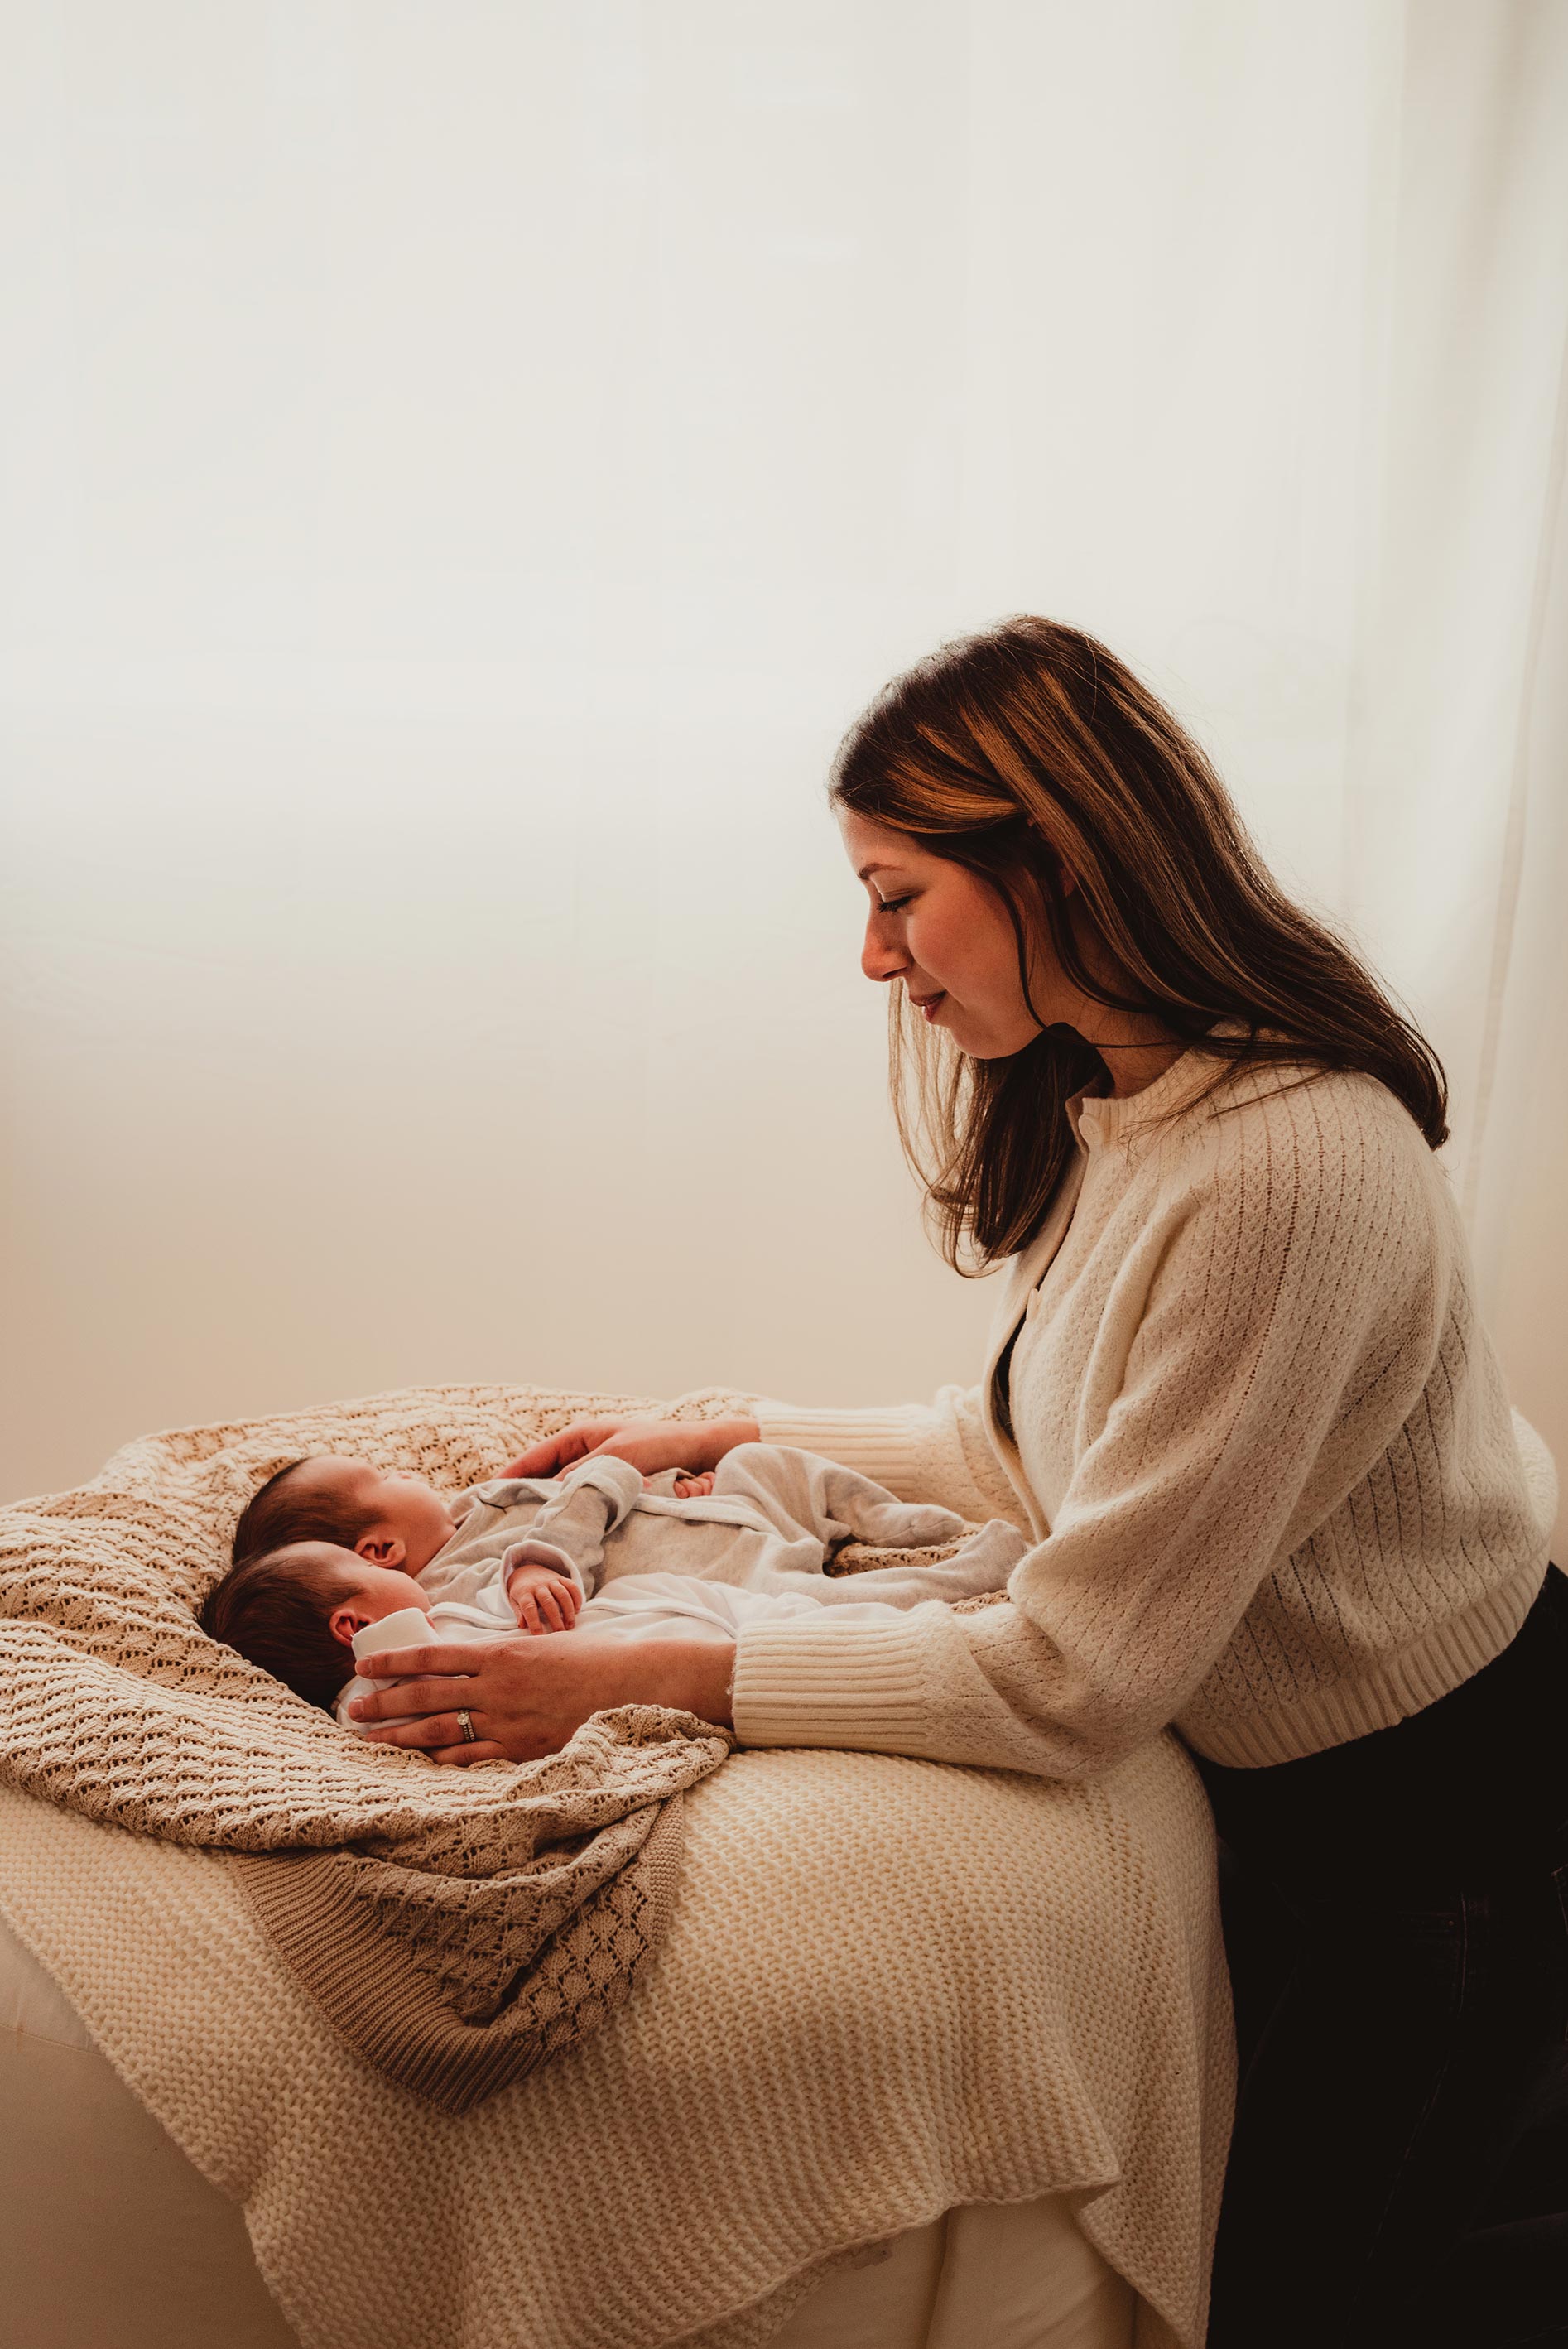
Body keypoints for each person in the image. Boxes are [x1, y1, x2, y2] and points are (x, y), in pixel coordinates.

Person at [345, 617, 1566, 2347]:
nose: (870, 955)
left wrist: (626, 1670)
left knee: (1336, 2294)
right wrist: (707, 1429)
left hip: (1434, 1826)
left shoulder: (1285, 1167)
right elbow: (1051, 1450)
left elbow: (1073, 1669)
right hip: (1310, 1799)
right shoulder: (1128, 1101)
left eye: (896, 891)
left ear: (1051, 857)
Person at [202, 1445, 1027, 1728]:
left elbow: (607, 1475)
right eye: (385, 1474)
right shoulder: (456, 1593)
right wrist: (538, 1566)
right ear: (377, 1550)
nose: (411, 1472)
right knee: (806, 1612)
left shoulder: (486, 1503)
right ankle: (949, 1578)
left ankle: (888, 1521)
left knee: (762, 1461)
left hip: (720, 1517)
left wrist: (669, 1479)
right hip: (716, 1579)